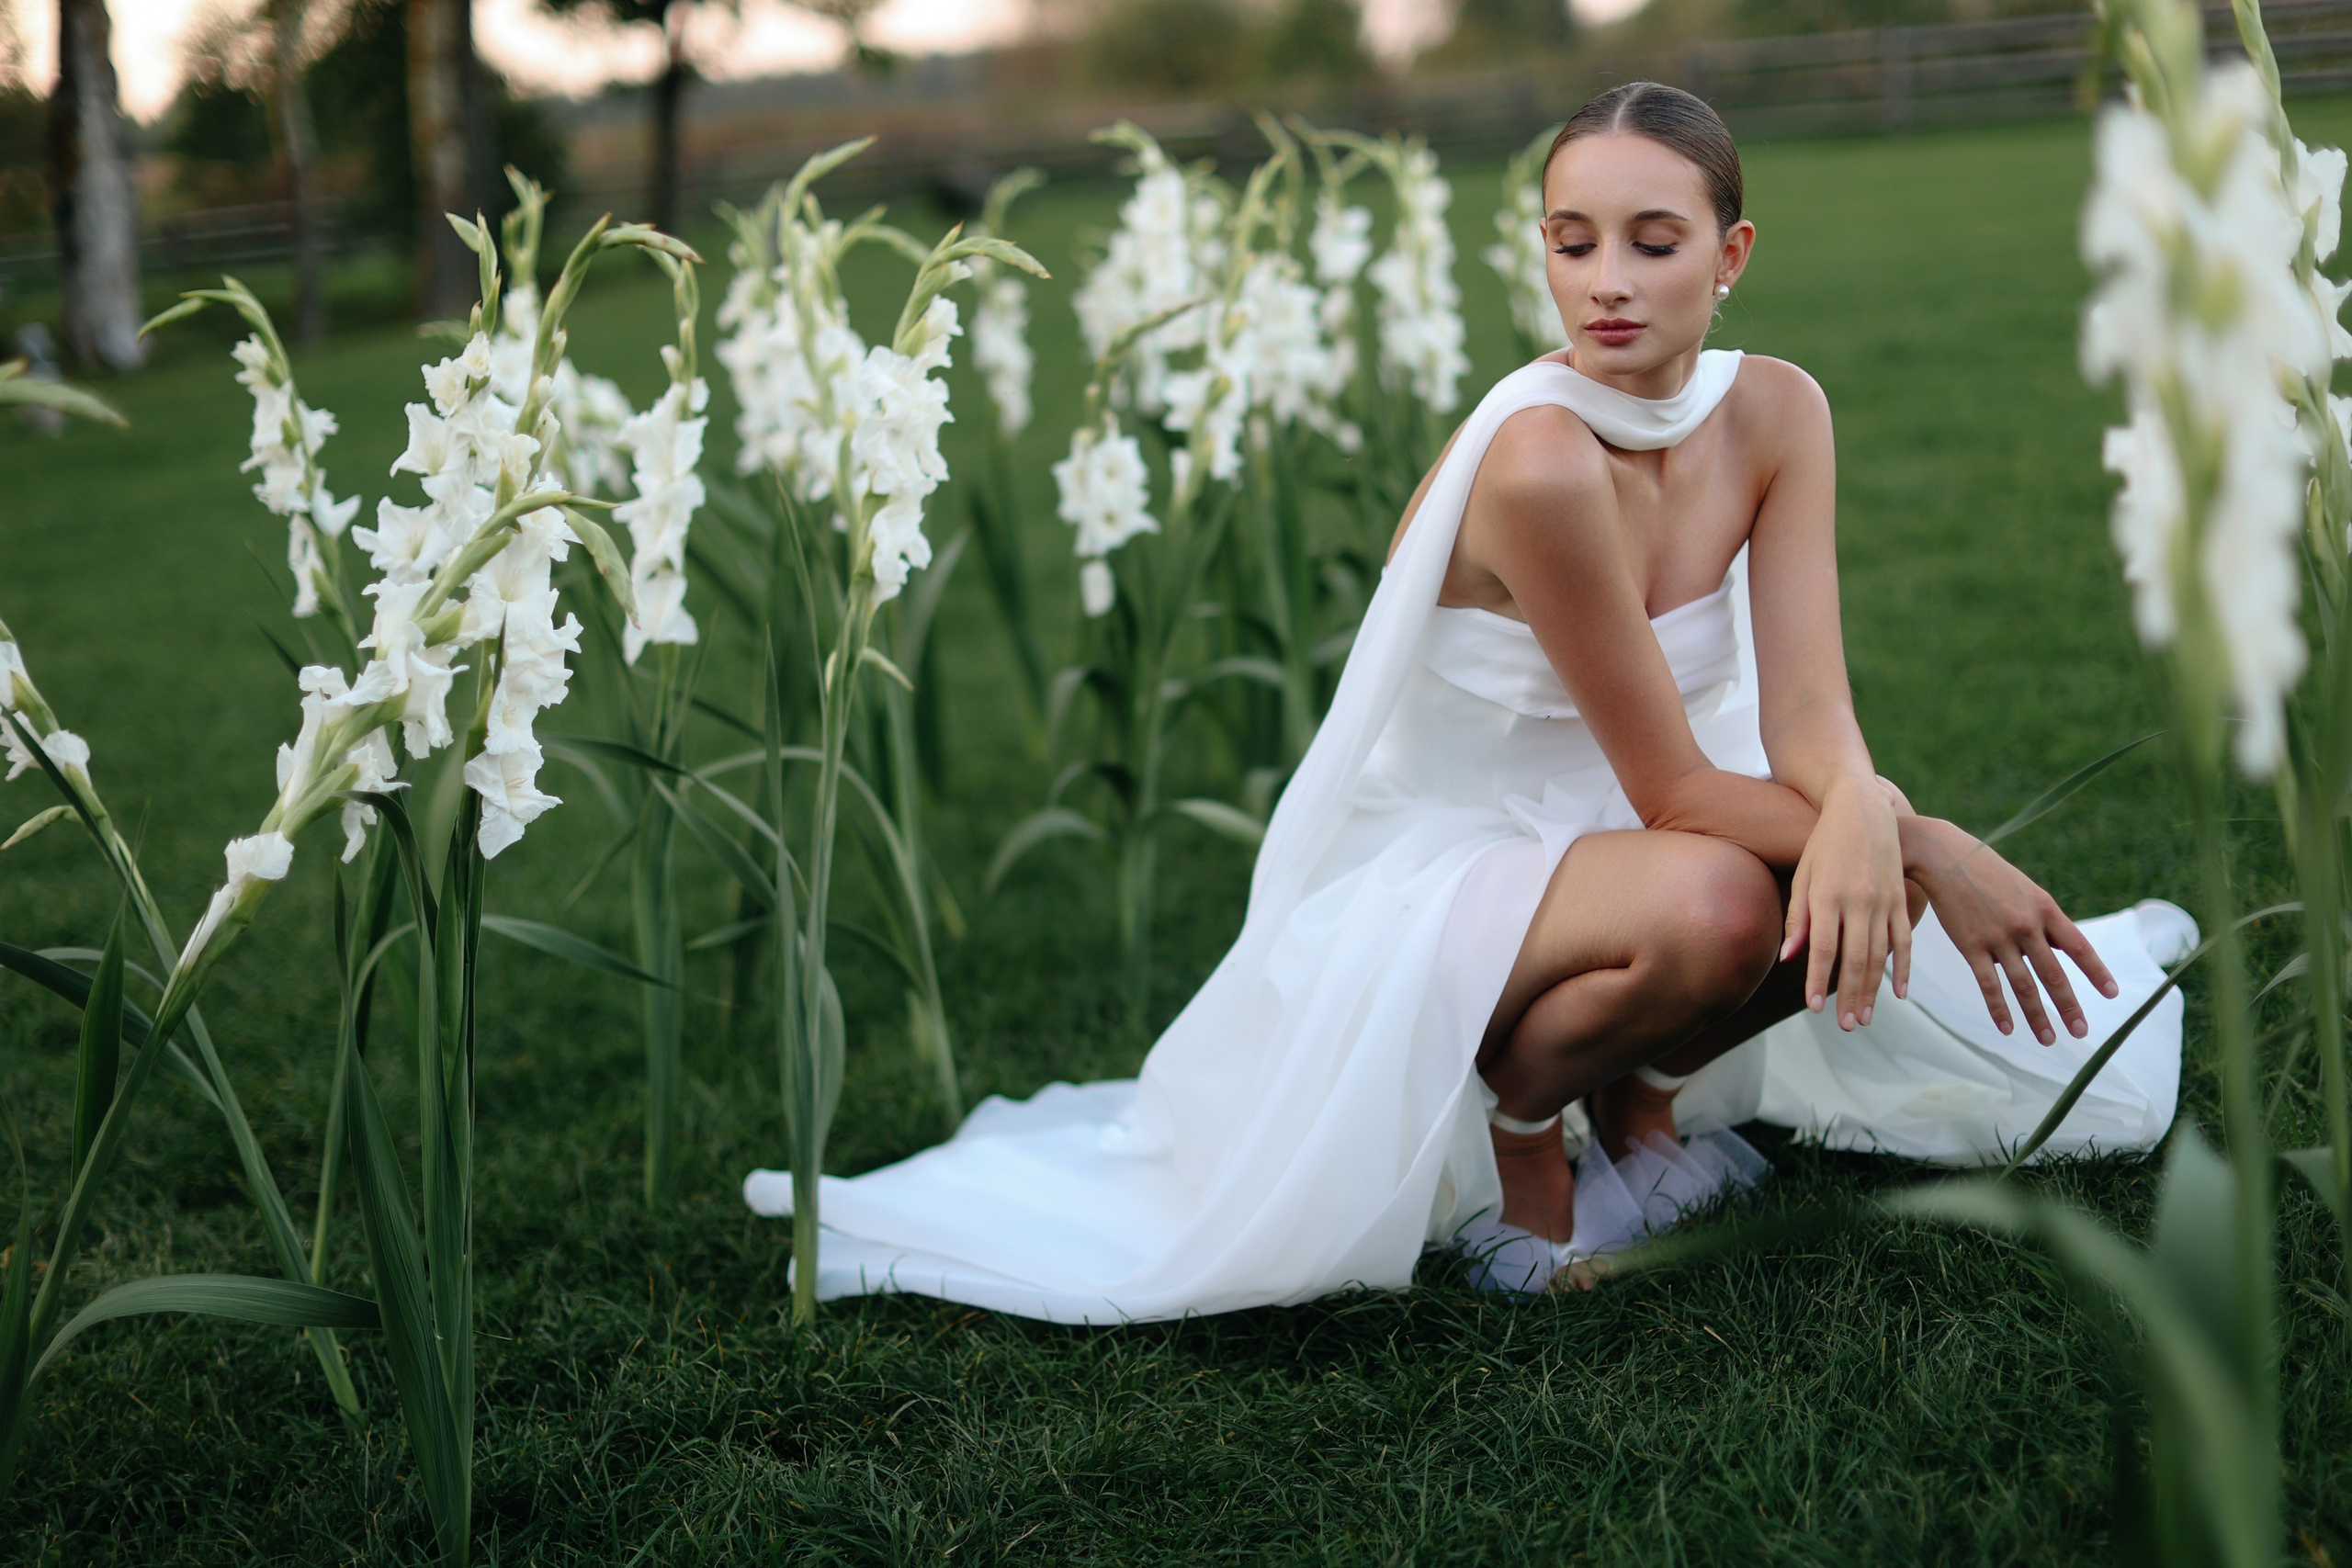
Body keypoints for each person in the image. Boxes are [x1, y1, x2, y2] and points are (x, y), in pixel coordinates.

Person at [744, 82, 2193, 1315]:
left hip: (1645, 820)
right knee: (1733, 907)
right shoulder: (1545, 462)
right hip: (1463, 857)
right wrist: (1918, 839)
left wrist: (1861, 807)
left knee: (1804, 882)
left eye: (1653, 240)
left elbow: (1808, 709)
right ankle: (1525, 1130)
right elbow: (1678, 796)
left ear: (1733, 253)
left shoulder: (1780, 412)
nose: (1606, 281)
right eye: (1572, 244)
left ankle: (1638, 1102)